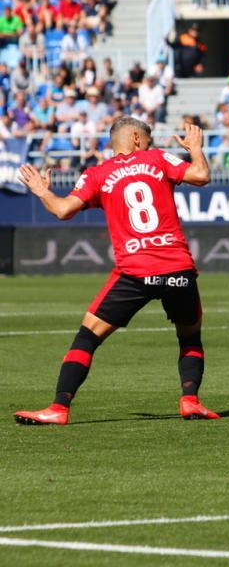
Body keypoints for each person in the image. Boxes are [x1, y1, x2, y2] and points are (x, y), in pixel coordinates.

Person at [13, 119, 218, 425]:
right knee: (190, 337)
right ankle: (190, 401)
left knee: (87, 337)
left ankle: (59, 407)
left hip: (134, 271)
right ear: (136, 138)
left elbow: (62, 210)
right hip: (178, 268)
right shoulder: (158, 158)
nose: (148, 144)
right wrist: (197, 151)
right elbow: (201, 175)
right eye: (146, 139)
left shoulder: (98, 173)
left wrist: (43, 191)